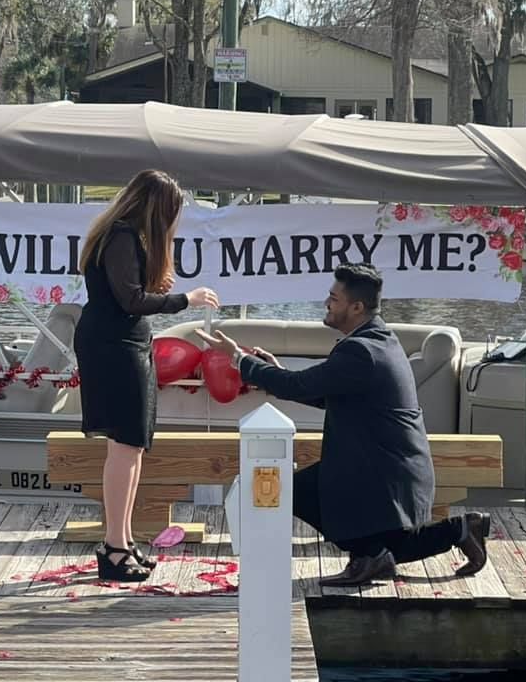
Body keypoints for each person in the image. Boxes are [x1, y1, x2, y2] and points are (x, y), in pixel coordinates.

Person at [195, 263, 490, 586]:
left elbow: (299, 387)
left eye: (333, 298)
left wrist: (238, 359)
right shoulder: (377, 339)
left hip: (380, 475)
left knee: (371, 536)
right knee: (355, 528)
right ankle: (454, 531)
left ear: (356, 307)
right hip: (384, 468)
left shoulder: (360, 351)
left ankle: (388, 551)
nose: (327, 303)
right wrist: (275, 371)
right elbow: (327, 394)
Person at [75, 169, 219, 582]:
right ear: (157, 209)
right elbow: (131, 300)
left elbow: (132, 292)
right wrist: (184, 299)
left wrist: (160, 283)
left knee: (132, 446)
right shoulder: (121, 235)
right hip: (113, 345)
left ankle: (120, 541)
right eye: (173, 213)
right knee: (125, 445)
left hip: (125, 342)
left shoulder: (123, 236)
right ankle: (115, 547)